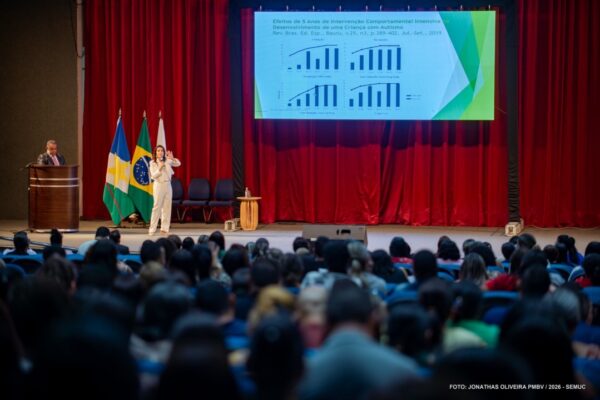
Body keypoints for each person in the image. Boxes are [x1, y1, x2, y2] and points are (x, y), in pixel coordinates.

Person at [148, 145, 180, 235]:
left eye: (162, 150)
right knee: (156, 207)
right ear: (155, 152)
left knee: (167, 207)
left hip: (168, 185)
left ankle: (164, 228)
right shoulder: (152, 162)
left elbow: (178, 164)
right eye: (158, 150)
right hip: (158, 185)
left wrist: (172, 158)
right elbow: (153, 176)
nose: (160, 152)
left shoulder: (167, 160)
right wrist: (160, 168)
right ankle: (152, 229)